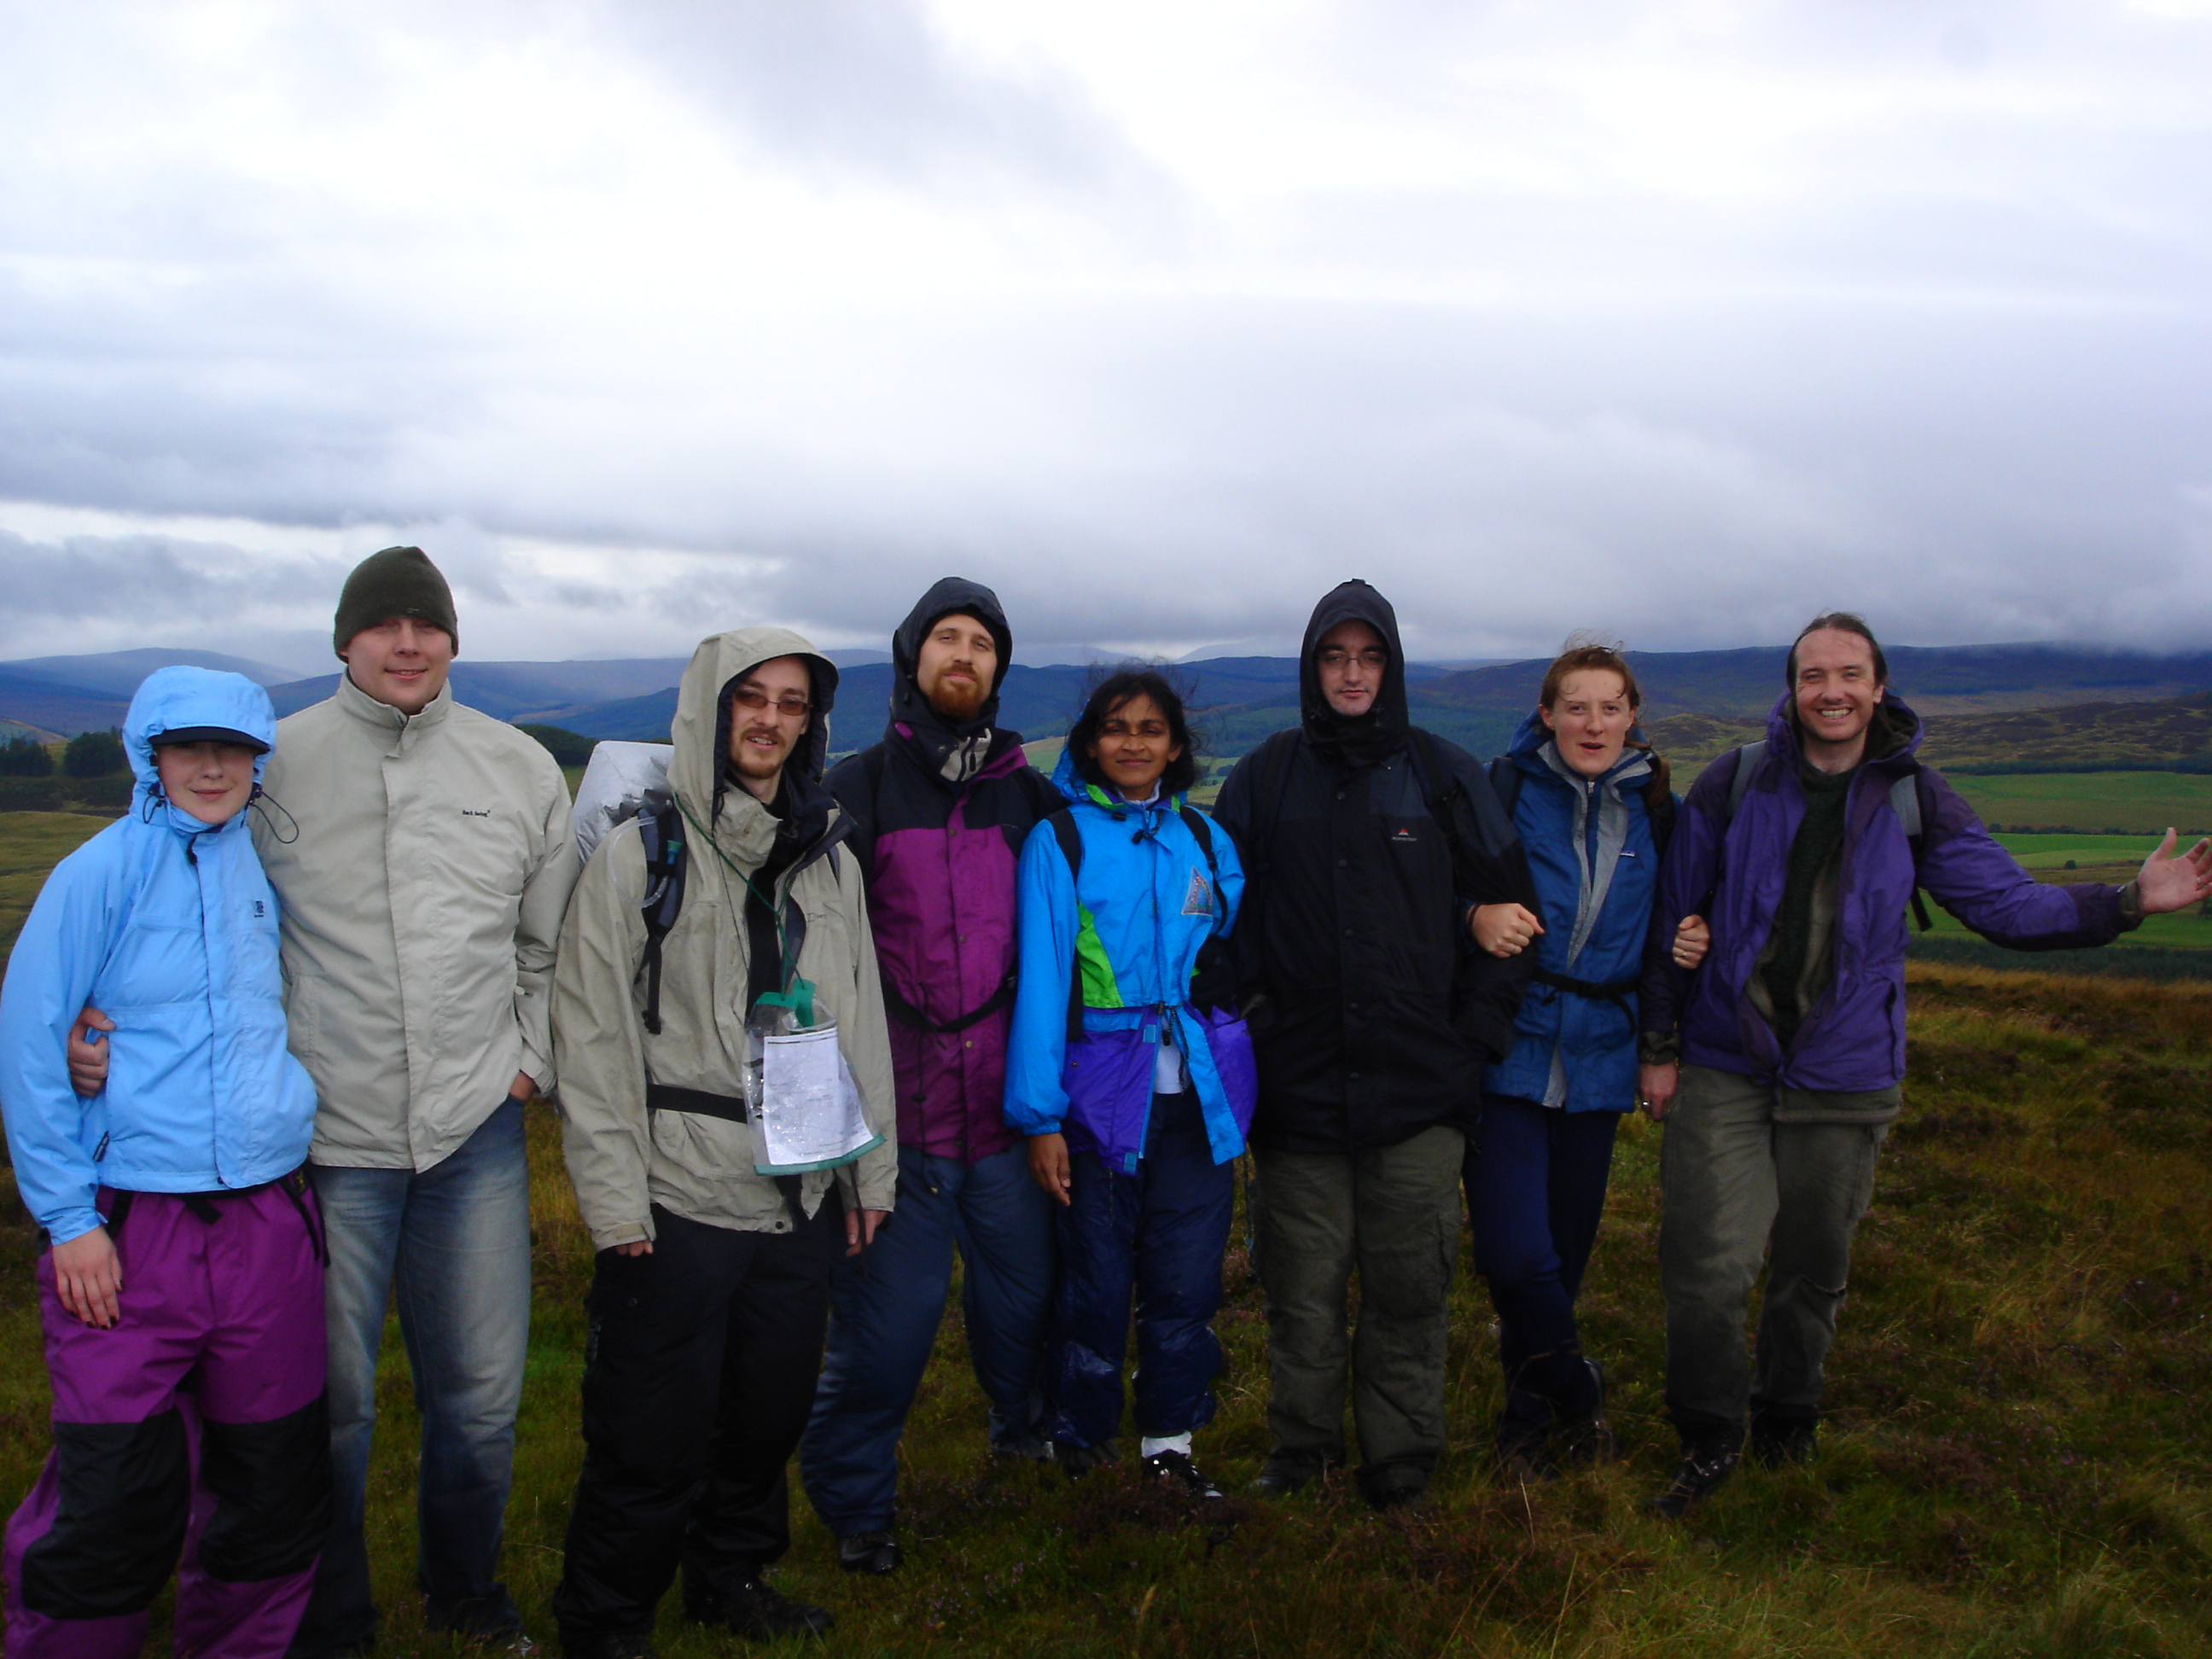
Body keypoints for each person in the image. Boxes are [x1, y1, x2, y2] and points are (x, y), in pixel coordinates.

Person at [71, 545, 582, 1652]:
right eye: (383, 624)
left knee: (481, 1397)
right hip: (326, 1139)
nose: (407, 643)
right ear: (345, 640)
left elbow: (548, 945)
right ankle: (328, 1616)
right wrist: (93, 1019)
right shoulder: (276, 762)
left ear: (453, 639)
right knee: (330, 1408)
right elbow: (174, 903)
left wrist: (528, 1063)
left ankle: (467, 1595)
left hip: (474, 1130)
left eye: (426, 624)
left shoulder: (520, 768)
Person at [1637, 612, 2212, 1516]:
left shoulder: (1916, 799)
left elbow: (2008, 907)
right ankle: (1708, 1435)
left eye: (1849, 675)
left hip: (1846, 1072)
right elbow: (1672, 917)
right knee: (1705, 1269)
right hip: (1724, 1059)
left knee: (1812, 1267)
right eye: (1813, 675)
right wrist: (1660, 1048)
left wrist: (2127, 901)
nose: (1831, 691)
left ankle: (1788, 1415)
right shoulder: (1737, 780)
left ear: (1878, 688)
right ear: (1792, 690)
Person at [549, 626, 896, 1656]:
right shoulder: (640, 855)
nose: (770, 720)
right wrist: (616, 1202)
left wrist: (870, 1175)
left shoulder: (829, 862)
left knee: (763, 1417)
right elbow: (593, 1035)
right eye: (752, 697)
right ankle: (607, 1624)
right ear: (710, 707)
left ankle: (728, 1579)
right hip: (676, 1199)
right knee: (646, 1433)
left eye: (792, 704)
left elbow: (861, 1020)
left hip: (797, 1193)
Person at [2, 667, 329, 1658]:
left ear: (258, 761)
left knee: (270, 1482)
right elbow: (32, 1045)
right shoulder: (97, 873)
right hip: (132, 1224)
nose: (213, 768)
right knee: (116, 1492)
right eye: (190, 748)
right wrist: (70, 1222)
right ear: (151, 757)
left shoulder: (264, 868)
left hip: (268, 1219)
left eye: (234, 750)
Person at [1214, 579, 1537, 1510]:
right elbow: (1221, 928)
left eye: (1368, 658)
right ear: (1311, 668)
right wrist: (1260, 1024)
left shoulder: (1443, 774)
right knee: (1301, 1290)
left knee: (1410, 1289)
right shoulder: (1264, 778)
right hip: (1299, 1093)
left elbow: (1516, 919)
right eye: (1334, 657)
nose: (1352, 674)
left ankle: (1401, 1460)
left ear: (1390, 668)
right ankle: (1302, 1450)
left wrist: (1471, 1041)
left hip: (1419, 1093)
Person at [799, 579, 1060, 1576]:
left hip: (1005, 1120)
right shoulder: (856, 792)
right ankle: (856, 1505)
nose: (963, 655)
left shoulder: (1031, 801)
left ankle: (1024, 1440)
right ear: (914, 658)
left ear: (998, 667)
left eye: (981, 643)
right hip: (895, 1129)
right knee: (885, 1336)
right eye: (946, 638)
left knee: (1022, 1311)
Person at [1003, 668, 1254, 1499]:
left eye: (1151, 728)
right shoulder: (1060, 842)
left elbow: (1228, 952)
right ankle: (1081, 1439)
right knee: (1097, 1279)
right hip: (1098, 1101)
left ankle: (1170, 1443)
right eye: (1116, 727)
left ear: (1177, 746)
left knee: (1186, 1279)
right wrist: (1039, 1118)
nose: (1134, 743)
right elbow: (1043, 985)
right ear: (1089, 743)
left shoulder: (1206, 839)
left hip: (1199, 1101)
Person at [1464, 643, 1707, 1480]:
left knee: (1562, 1261)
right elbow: (1443, 885)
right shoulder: (1503, 790)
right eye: (1576, 707)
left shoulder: (1661, 811)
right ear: (1547, 716)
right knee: (1513, 1256)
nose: (1593, 724)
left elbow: (1678, 922)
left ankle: (1526, 1425)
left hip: (1603, 1054)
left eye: (1610, 708)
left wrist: (1695, 942)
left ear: (1633, 715)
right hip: (1511, 1043)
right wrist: (1472, 914)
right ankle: (1577, 1387)